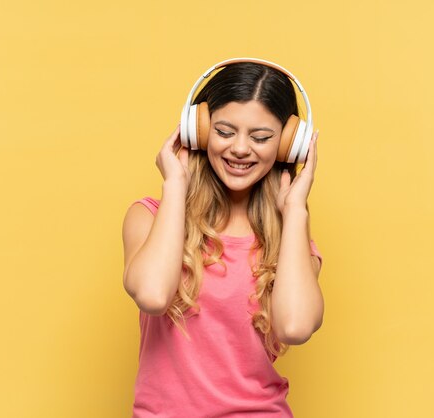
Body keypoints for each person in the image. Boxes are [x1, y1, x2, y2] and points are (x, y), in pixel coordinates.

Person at [122, 59, 324, 417]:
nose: (240, 149)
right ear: (196, 130)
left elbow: (294, 327)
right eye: (225, 132)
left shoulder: (289, 240)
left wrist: (295, 211)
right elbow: (153, 296)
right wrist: (175, 185)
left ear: (287, 146)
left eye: (261, 138)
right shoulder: (150, 216)